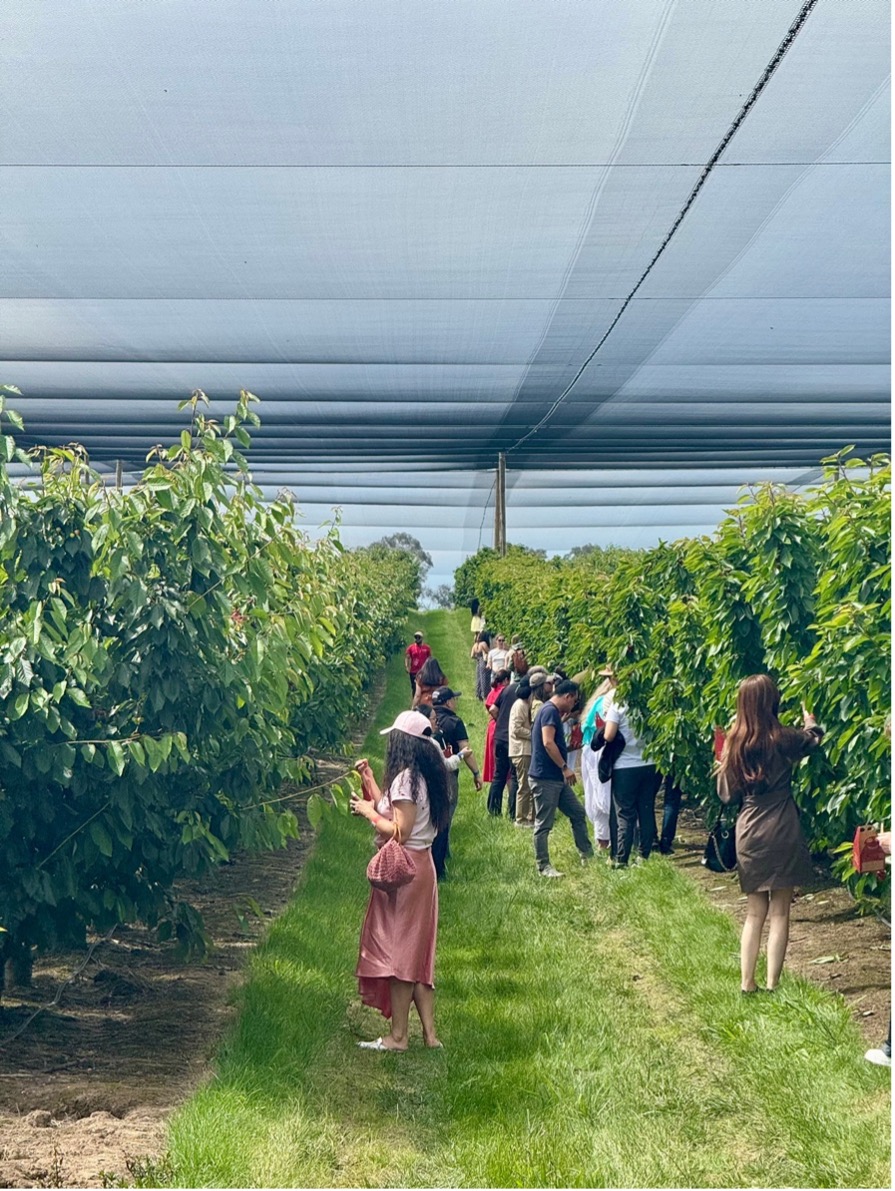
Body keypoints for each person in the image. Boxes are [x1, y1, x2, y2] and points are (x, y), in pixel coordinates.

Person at [717, 675, 824, 994]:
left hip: (749, 828)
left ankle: (747, 982)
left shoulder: (735, 742)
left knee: (754, 912)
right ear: (771, 701)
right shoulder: (784, 738)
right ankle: (773, 982)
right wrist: (811, 721)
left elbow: (725, 795)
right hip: (782, 825)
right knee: (780, 910)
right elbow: (814, 738)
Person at [351, 710, 451, 1051]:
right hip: (422, 867)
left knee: (401, 954)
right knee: (418, 952)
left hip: (405, 870)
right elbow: (392, 808)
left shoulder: (407, 779)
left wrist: (367, 813)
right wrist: (368, 780)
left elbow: (399, 830)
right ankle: (430, 1036)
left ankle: (397, 1037)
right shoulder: (424, 777)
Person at [528, 679, 594, 877]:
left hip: (555, 778)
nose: (573, 706)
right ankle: (543, 866)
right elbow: (548, 742)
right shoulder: (548, 712)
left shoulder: (552, 712)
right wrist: (565, 767)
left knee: (577, 812)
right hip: (545, 777)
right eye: (574, 701)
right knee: (543, 824)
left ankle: (587, 854)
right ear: (568, 696)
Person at [429, 687, 483, 879]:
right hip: (448, 775)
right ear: (448, 702)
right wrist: (476, 773)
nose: (456, 702)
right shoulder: (455, 722)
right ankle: (439, 858)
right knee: (445, 816)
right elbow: (465, 750)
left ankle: (442, 851)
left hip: (428, 774)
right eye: (454, 699)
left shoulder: (428, 719)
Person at [603, 693, 660, 866]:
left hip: (625, 766)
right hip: (650, 763)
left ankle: (621, 858)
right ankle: (644, 855)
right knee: (646, 809)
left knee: (625, 813)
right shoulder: (650, 702)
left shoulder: (618, 705)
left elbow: (608, 735)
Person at [581, 668, 616, 849]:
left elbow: (585, 728)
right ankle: (606, 840)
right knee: (603, 795)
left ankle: (603, 838)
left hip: (591, 750)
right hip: (601, 752)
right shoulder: (608, 702)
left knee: (596, 794)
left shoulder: (597, 701)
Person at [487, 669, 522, 817]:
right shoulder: (524, 693)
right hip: (513, 739)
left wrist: (499, 720)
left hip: (500, 737)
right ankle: (512, 812)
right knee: (514, 776)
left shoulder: (506, 690)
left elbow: (493, 709)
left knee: (499, 775)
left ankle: (493, 810)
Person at [508, 678, 535, 827]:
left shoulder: (524, 705)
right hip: (521, 750)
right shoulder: (520, 706)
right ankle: (521, 819)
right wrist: (534, 733)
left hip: (525, 750)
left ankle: (529, 816)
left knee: (528, 785)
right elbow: (517, 729)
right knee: (524, 786)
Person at [482, 668, 510, 784]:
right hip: (502, 727)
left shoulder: (492, 692)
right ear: (506, 680)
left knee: (494, 760)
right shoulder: (505, 691)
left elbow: (489, 707)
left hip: (492, 727)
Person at [404, 630, 432, 699]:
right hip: (414, 672)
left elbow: (430, 659)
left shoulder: (426, 648)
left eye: (418, 637)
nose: (417, 639)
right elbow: (407, 657)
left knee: (424, 687)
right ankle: (415, 701)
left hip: (424, 671)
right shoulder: (411, 648)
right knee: (414, 687)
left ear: (421, 638)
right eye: (416, 637)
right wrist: (407, 667)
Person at [471, 630, 491, 701]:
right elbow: (489, 652)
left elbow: (472, 655)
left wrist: (477, 658)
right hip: (484, 662)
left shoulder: (475, 645)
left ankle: (478, 693)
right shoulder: (483, 644)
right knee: (485, 679)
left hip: (478, 662)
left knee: (479, 678)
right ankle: (485, 694)